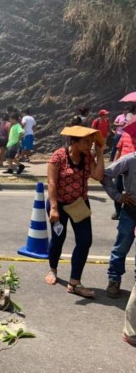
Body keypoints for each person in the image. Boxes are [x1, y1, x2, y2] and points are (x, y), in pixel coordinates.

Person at [44, 127, 104, 298]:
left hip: (79, 204)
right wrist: (54, 208)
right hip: (59, 204)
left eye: (91, 143)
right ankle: (53, 269)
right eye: (86, 142)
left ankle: (74, 282)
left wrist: (99, 154)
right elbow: (52, 183)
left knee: (85, 240)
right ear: (74, 141)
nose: (89, 145)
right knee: (58, 238)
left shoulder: (87, 157)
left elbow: (98, 176)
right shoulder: (59, 156)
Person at [101, 134, 136, 298]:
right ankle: (114, 279)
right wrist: (117, 196)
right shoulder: (129, 160)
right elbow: (106, 174)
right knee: (121, 247)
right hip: (130, 211)